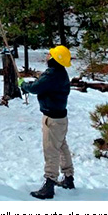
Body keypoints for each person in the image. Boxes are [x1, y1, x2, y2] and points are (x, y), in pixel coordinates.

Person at [20, 45, 75, 199]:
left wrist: (23, 85)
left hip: (53, 120)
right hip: (61, 118)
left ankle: (49, 184)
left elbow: (36, 88)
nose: (47, 55)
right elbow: (42, 85)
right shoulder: (60, 73)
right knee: (62, 147)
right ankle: (68, 178)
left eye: (50, 54)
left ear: (54, 58)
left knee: (51, 151)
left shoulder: (53, 74)